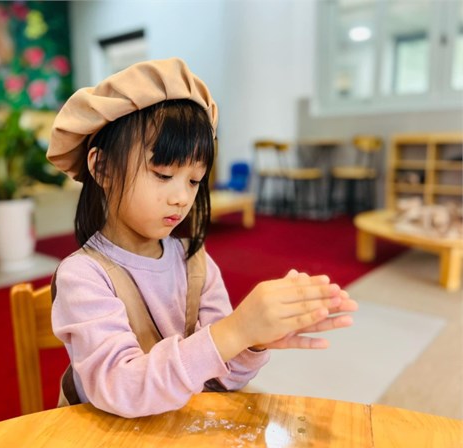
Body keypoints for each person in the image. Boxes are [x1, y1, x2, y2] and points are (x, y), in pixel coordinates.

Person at [46, 57, 358, 418]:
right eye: (163, 175)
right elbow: (120, 388)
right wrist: (233, 331)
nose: (182, 197)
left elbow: (224, 380)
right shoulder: (83, 276)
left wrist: (252, 340)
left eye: (194, 180)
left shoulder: (195, 263)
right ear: (102, 168)